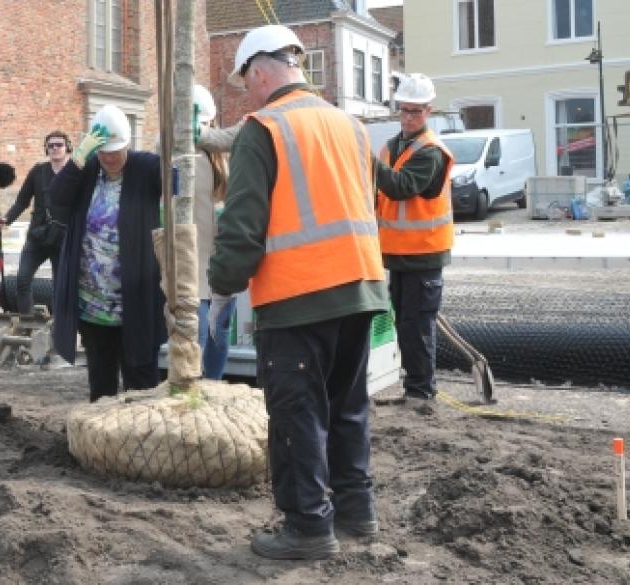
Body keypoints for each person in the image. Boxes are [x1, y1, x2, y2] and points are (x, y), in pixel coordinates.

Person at [208, 25, 389, 560]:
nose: (249, 96)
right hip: (361, 288)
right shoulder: (351, 126)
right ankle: (357, 513)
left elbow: (242, 224)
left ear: (260, 73)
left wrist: (221, 290)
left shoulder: (264, 128)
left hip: (297, 298)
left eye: (247, 84)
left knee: (297, 414)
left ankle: (309, 526)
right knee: (347, 406)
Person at [48, 105, 167, 402]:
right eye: (104, 152)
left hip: (135, 302)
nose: (110, 158)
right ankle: (102, 448)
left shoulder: (144, 168)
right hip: (94, 306)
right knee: (101, 389)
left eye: (116, 151)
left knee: (142, 388)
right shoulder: (87, 170)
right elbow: (56, 197)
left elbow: (179, 180)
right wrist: (78, 157)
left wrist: (182, 143)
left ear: (128, 144)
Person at [373, 73, 454, 414]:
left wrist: (363, 158)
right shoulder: (392, 147)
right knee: (405, 326)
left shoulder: (430, 153)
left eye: (415, 111)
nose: (408, 117)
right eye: (404, 110)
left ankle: (422, 394)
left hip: (424, 254)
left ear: (428, 111)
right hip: (399, 255)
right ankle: (415, 389)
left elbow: (400, 186)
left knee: (417, 327)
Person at [0, 130, 71, 316]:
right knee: (22, 279)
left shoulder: (74, 172)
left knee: (59, 286)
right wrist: (7, 219)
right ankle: (27, 322)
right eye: (51, 145)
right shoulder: (38, 171)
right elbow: (22, 201)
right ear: (46, 149)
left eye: (59, 145)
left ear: (67, 148)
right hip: (37, 235)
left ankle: (56, 328)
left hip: (63, 237)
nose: (55, 148)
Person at [191, 85, 235, 380]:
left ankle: (213, 385)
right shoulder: (176, 154)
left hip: (220, 261)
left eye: (204, 124)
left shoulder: (222, 157)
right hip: (191, 262)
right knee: (197, 333)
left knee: (220, 331)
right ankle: (194, 388)